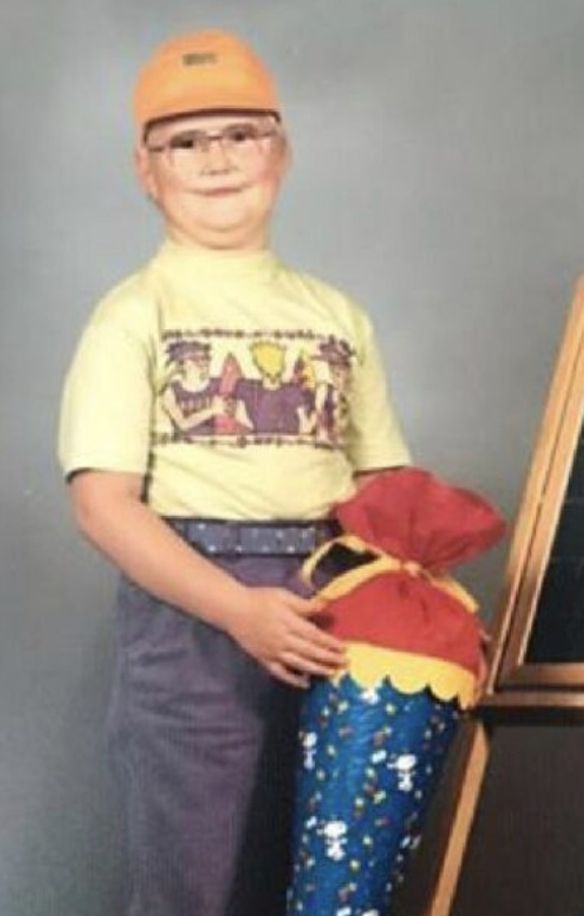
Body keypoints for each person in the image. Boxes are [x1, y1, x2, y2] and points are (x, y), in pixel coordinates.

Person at [57, 28, 411, 916]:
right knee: (195, 883)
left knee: (325, 876)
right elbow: (103, 506)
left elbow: (387, 494)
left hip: (332, 608)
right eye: (185, 141)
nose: (217, 159)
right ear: (147, 168)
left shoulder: (336, 315)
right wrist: (237, 610)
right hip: (194, 616)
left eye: (241, 134)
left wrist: (426, 593)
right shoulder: (134, 314)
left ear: (281, 151)